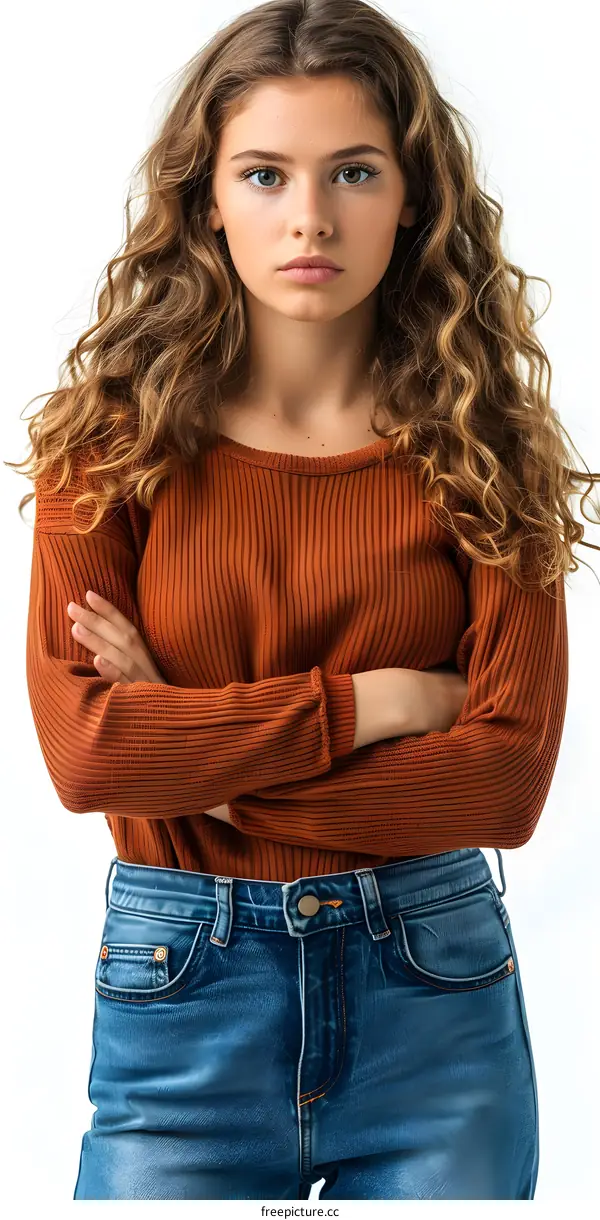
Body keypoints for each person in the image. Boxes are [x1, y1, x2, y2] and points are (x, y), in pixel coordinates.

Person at [12, 0, 598, 1203]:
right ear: (207, 198)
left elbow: (502, 783)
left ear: (413, 196)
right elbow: (85, 752)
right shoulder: (110, 445)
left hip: (435, 1000)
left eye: (355, 172)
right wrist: (382, 699)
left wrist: (196, 747)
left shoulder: (487, 451)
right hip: (182, 991)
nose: (311, 218)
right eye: (267, 173)